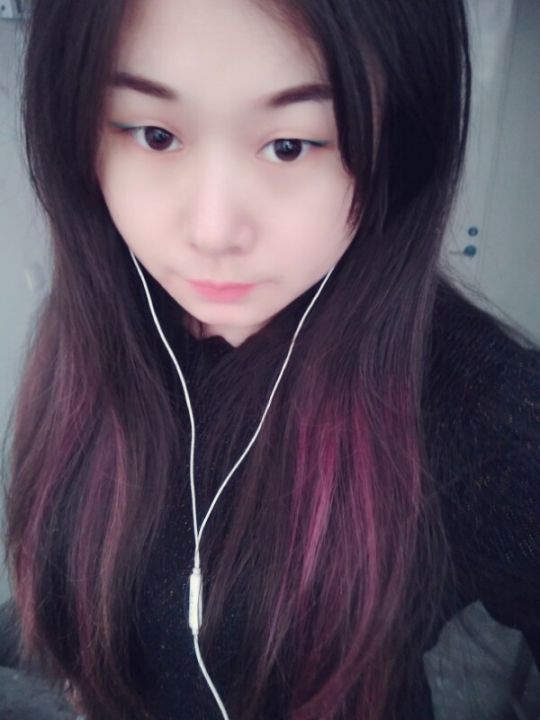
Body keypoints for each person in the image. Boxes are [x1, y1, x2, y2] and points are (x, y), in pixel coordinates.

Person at [2, 0, 539, 718]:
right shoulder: (113, 314)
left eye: (289, 145)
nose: (212, 231)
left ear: (400, 143)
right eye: (156, 135)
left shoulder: (481, 412)